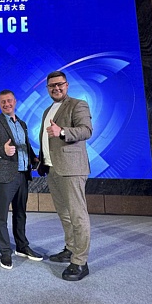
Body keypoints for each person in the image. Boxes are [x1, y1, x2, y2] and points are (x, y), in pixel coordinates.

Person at [38, 71, 93, 281]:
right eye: (51, 86)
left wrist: (62, 132)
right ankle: (71, 249)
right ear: (47, 88)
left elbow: (86, 130)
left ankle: (80, 261)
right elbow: (47, 140)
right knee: (65, 214)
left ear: (67, 85)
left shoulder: (78, 105)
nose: (56, 88)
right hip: (53, 168)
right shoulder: (48, 110)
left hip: (72, 169)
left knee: (78, 216)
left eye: (59, 84)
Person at [0, 90, 43, 270]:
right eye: (3, 102)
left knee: (20, 213)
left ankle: (22, 246)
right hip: (4, 175)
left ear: (15, 101)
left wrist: (34, 158)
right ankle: (5, 251)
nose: (6, 104)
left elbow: (26, 146)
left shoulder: (22, 123)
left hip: (23, 174)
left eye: (9, 101)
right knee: (1, 216)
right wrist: (2, 151)